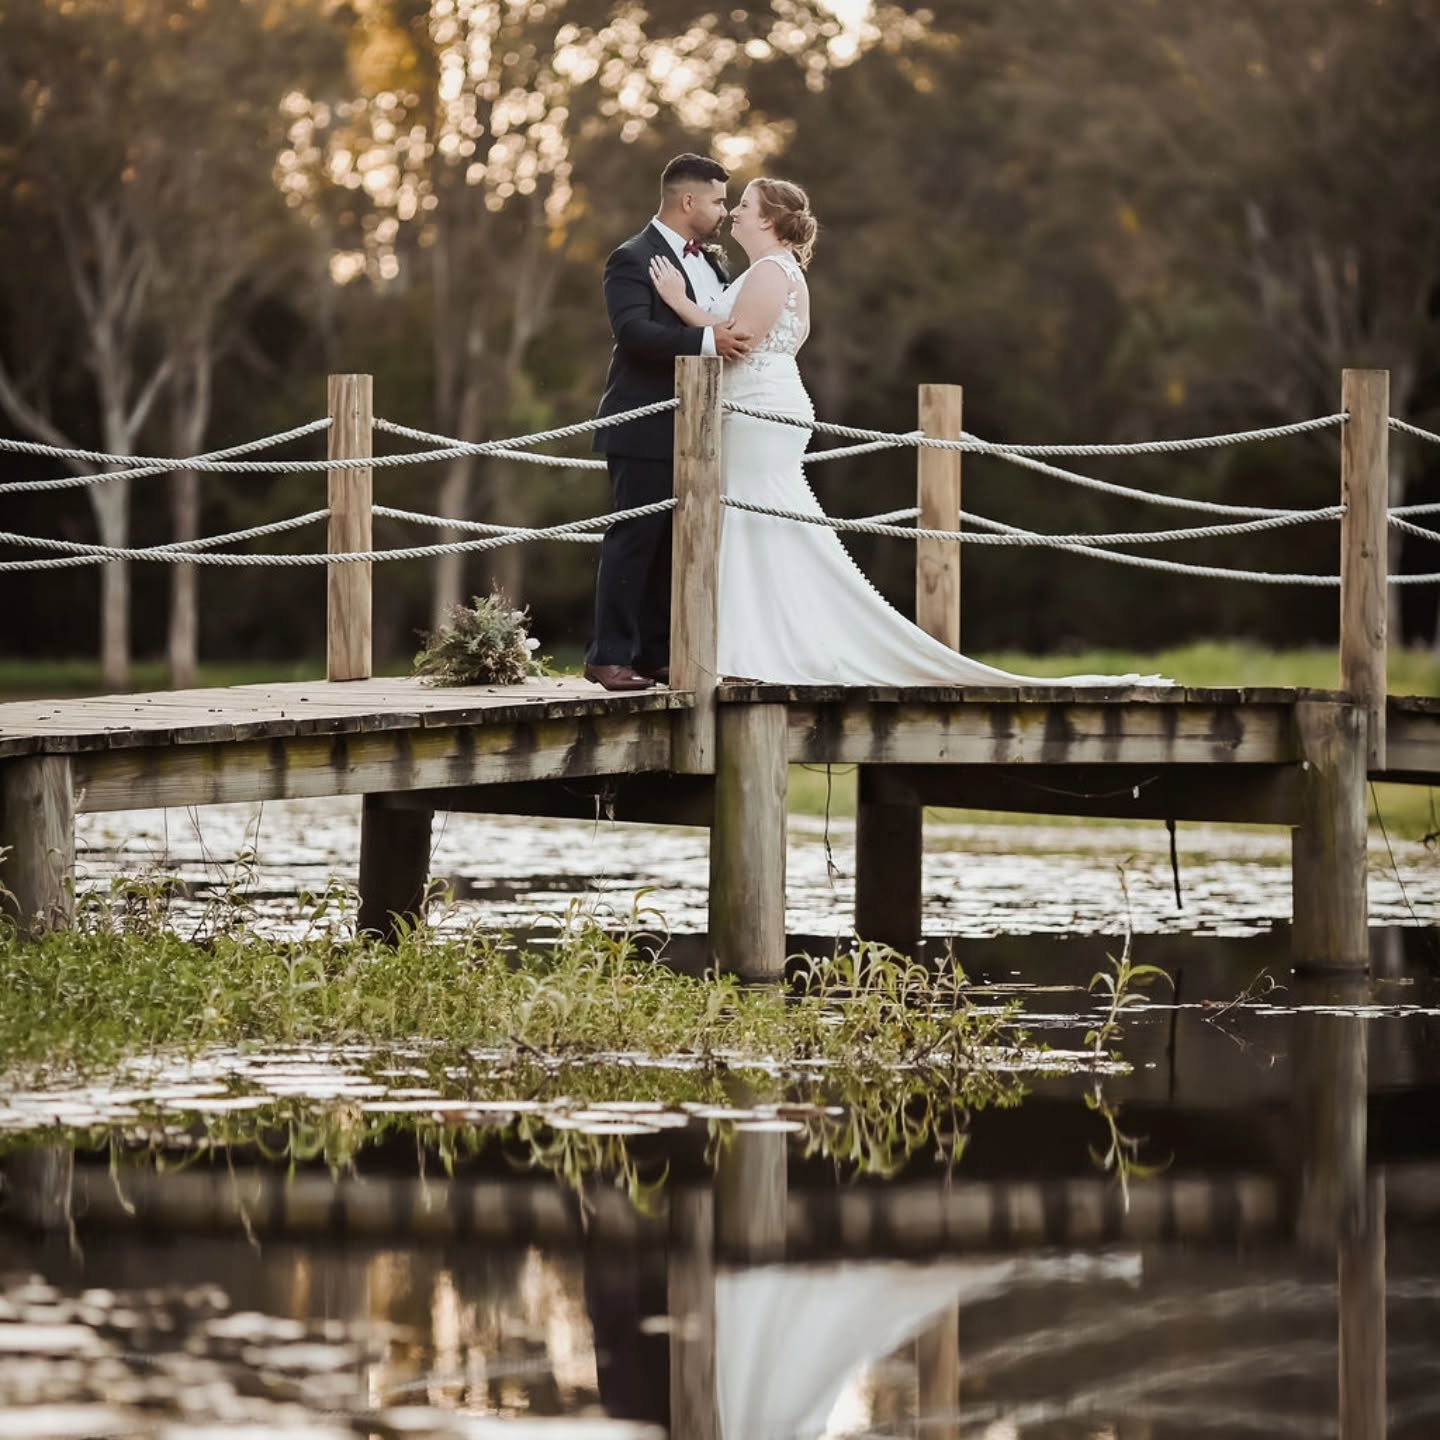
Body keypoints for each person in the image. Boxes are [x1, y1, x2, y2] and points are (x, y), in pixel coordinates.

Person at [648, 176, 1170, 687]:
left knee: (751, 512)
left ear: (768, 220)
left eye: (745, 204)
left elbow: (738, 339)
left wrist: (676, 300)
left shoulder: (768, 271)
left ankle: (753, 648)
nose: (735, 212)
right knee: (764, 518)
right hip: (762, 403)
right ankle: (753, 644)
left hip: (758, 410)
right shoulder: (776, 271)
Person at [584, 154, 755, 692]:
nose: (724, 212)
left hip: (698, 431)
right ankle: (608, 656)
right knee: (634, 539)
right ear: (688, 201)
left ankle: (656, 654)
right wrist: (709, 341)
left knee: (674, 544)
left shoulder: (713, 263)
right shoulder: (632, 257)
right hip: (644, 424)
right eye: (719, 201)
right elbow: (632, 331)